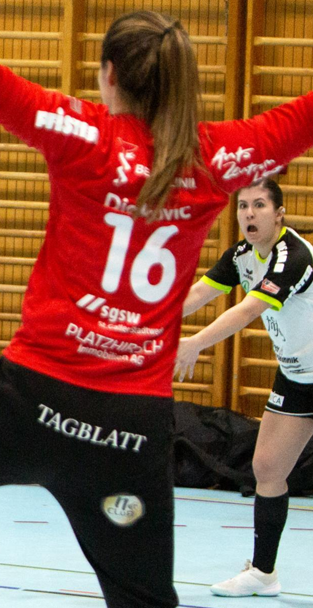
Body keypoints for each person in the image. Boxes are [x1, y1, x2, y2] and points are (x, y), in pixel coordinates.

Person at [0, 1, 313, 607]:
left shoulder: (84, 135)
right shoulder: (217, 158)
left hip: (31, 399)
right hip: (129, 429)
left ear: (108, 75)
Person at [176, 178, 313, 598]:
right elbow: (200, 292)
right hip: (297, 377)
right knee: (268, 468)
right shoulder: (241, 256)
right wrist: (151, 323)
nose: (249, 213)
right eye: (242, 206)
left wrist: (196, 343)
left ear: (279, 214)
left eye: (259, 205)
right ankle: (263, 574)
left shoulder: (293, 256)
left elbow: (250, 309)